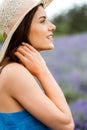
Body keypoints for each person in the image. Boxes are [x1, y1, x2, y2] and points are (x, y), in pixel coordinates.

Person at [0, 0, 74, 130]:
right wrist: (43, 71)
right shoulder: (14, 73)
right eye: (42, 20)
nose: (52, 26)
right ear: (23, 28)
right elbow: (66, 125)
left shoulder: (18, 70)